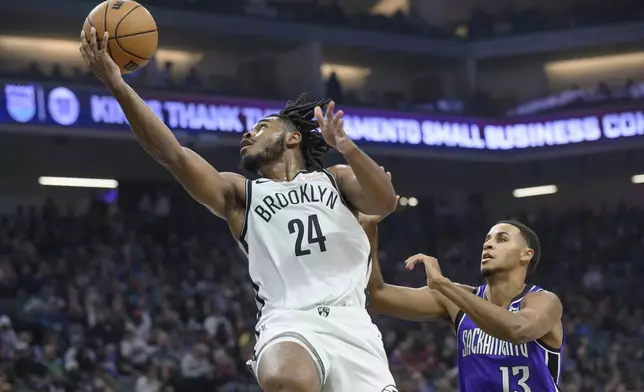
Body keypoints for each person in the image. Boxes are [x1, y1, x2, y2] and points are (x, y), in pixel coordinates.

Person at [79, 28, 398, 392]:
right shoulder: (240, 194)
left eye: (261, 128)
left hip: (354, 326)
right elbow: (173, 154)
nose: (248, 135)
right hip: (290, 321)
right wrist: (118, 86)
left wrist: (347, 147)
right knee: (287, 378)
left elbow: (385, 202)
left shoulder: (336, 179)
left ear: (293, 137)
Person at [360, 207, 564, 392]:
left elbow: (518, 330)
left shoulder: (544, 301)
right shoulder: (456, 299)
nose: (488, 245)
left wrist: (443, 284)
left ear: (526, 255)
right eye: (487, 240)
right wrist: (369, 229)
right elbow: (377, 296)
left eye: (501, 239)